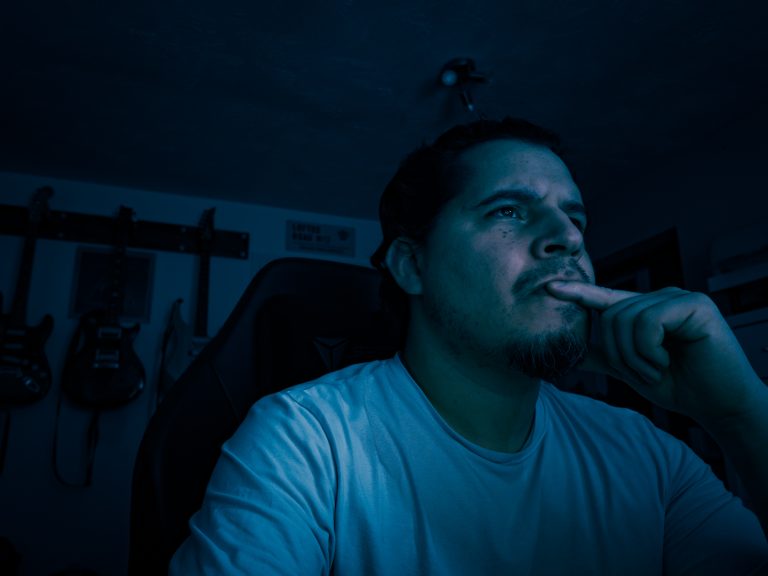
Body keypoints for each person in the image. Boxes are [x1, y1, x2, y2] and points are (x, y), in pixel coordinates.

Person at [169, 117, 768, 574]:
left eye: (575, 218)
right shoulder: (306, 440)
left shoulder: (647, 455)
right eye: (510, 211)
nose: (567, 238)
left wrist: (740, 412)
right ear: (412, 265)